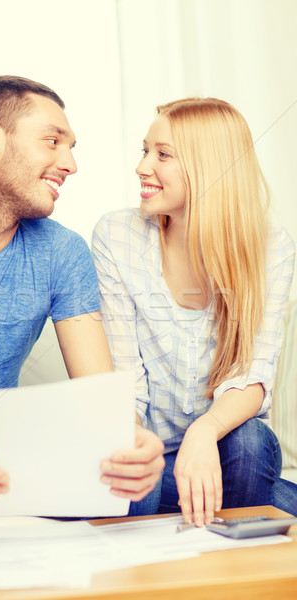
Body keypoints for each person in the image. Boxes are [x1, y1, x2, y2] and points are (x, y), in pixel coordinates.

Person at [0, 75, 164, 529]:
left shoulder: (61, 252)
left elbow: (100, 399)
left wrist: (132, 442)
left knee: (140, 490)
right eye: (52, 141)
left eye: (72, 146)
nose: (71, 164)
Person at [92, 97, 297, 525]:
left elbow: (252, 375)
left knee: (251, 442)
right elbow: (124, 380)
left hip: (228, 455)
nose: (142, 166)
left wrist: (204, 432)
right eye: (145, 150)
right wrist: (138, 444)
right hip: (158, 460)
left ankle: (229, 571)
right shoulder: (117, 235)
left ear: (209, 166)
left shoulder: (271, 246)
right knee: (136, 477)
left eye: (162, 154)